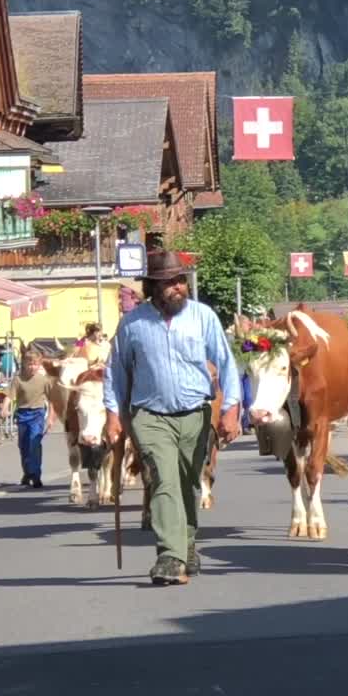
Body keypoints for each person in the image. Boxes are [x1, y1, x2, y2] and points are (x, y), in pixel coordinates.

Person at [104, 250, 242, 586]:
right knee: (163, 481)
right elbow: (115, 372)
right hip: (150, 415)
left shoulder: (202, 317)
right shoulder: (133, 324)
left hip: (195, 414)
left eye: (180, 280)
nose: (177, 287)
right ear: (153, 287)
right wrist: (112, 415)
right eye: (169, 282)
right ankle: (170, 555)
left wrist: (232, 409)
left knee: (188, 484)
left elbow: (226, 363)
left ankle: (187, 541)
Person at [3, 350, 56, 488]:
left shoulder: (43, 380)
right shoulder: (18, 379)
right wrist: (5, 407)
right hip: (22, 414)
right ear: (24, 364)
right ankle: (27, 473)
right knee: (23, 446)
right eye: (30, 364)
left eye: (36, 364)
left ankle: (36, 475)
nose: (33, 367)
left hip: (37, 414)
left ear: (39, 365)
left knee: (34, 444)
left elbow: (52, 401)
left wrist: (50, 418)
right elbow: (10, 396)